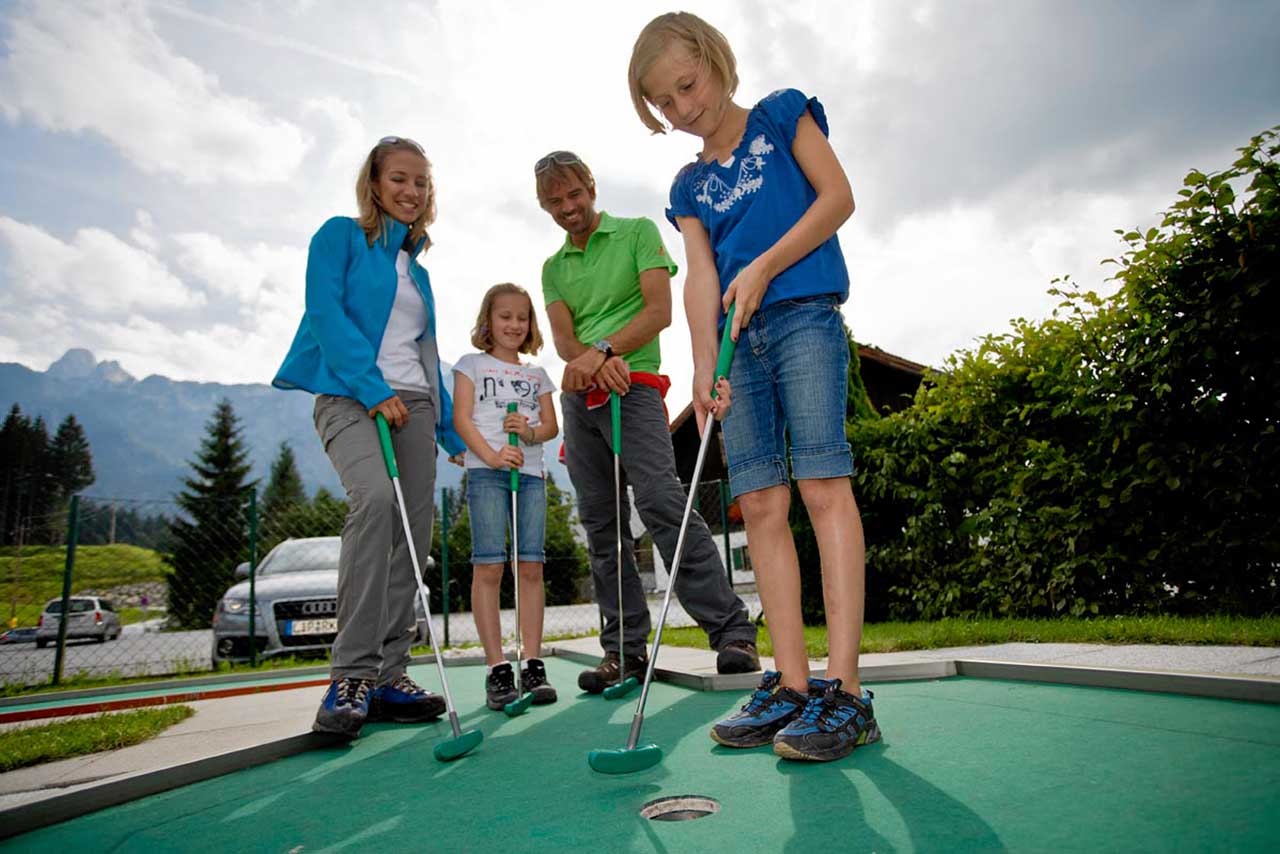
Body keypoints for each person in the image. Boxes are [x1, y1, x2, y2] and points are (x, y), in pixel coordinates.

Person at [630, 12, 881, 762]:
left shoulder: (781, 114)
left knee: (822, 487)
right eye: (664, 103)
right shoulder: (688, 184)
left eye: (687, 84)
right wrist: (705, 365)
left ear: (713, 60)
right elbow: (701, 278)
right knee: (762, 504)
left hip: (803, 318)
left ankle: (847, 692)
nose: (683, 108)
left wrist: (767, 264)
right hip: (738, 349)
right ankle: (794, 686)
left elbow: (837, 198)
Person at [535, 149, 760, 694]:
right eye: (555, 201)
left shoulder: (636, 232)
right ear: (544, 206)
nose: (569, 206)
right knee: (601, 523)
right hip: (582, 400)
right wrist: (590, 362)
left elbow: (659, 310)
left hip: (635, 389)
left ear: (591, 185)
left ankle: (732, 632)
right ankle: (623, 652)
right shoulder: (554, 268)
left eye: (574, 193)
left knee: (660, 500)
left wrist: (607, 352)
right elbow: (564, 342)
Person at [273, 136, 465, 738]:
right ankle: (351, 674)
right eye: (400, 179)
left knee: (413, 536)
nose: (412, 192)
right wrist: (369, 385)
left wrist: (449, 424)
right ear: (375, 184)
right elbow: (325, 315)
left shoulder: (420, 272)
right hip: (348, 394)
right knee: (375, 503)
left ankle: (389, 676)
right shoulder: (339, 237)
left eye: (421, 183)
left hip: (413, 403)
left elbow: (426, 356)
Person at [452, 283, 560, 710]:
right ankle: (497, 669)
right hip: (487, 474)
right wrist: (493, 457)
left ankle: (532, 663)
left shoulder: (538, 376)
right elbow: (462, 419)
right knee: (490, 568)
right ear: (488, 321)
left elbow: (550, 426)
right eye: (505, 317)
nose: (515, 325)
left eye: (523, 317)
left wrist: (529, 433)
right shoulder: (470, 365)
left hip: (530, 476)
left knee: (531, 566)